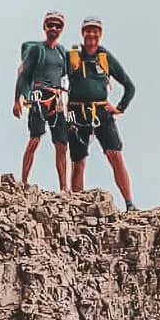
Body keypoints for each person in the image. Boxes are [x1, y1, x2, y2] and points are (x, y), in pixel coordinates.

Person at [63, 16, 136, 209]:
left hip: (102, 113)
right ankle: (76, 206)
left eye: (95, 31)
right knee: (77, 162)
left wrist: (119, 108)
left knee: (115, 156)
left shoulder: (105, 58)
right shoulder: (73, 56)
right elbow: (54, 73)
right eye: (88, 30)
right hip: (76, 113)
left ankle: (130, 204)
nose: (91, 34)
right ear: (83, 33)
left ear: (100, 34)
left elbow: (129, 86)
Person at [12, 10, 72, 189]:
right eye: (50, 25)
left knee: (62, 144)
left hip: (57, 99)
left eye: (58, 25)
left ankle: (64, 188)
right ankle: (23, 181)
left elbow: (69, 73)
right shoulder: (37, 50)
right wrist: (17, 99)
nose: (54, 28)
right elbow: (23, 74)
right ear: (44, 27)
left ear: (62, 29)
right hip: (39, 97)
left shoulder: (61, 51)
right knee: (35, 139)